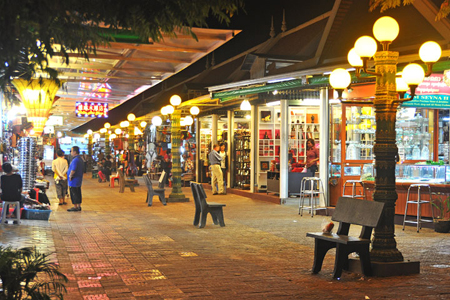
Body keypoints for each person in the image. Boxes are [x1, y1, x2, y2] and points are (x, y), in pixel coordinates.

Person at [67, 146, 84, 212]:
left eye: (71, 151)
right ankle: (79, 206)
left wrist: (70, 176)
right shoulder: (80, 159)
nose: (71, 152)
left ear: (74, 152)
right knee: (78, 192)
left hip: (74, 180)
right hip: (78, 180)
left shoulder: (75, 160)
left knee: (74, 193)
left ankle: (75, 206)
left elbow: (73, 169)